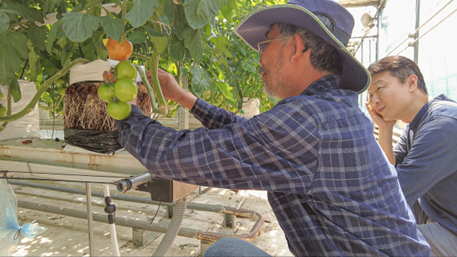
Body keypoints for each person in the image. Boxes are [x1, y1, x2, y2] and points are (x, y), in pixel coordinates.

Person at [115, 0, 431, 256]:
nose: (259, 58)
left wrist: (121, 111)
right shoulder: (331, 109)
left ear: (295, 47)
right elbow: (250, 134)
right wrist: (184, 98)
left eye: (265, 44)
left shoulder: (311, 120)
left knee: (224, 251)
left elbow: (176, 156)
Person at [366, 55, 457, 256]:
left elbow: (394, 195)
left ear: (411, 82)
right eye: (370, 95)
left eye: (379, 89)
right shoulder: (416, 124)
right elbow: (387, 174)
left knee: (374, 241)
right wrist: (385, 128)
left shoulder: (443, 124)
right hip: (442, 219)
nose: (374, 100)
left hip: (451, 228)